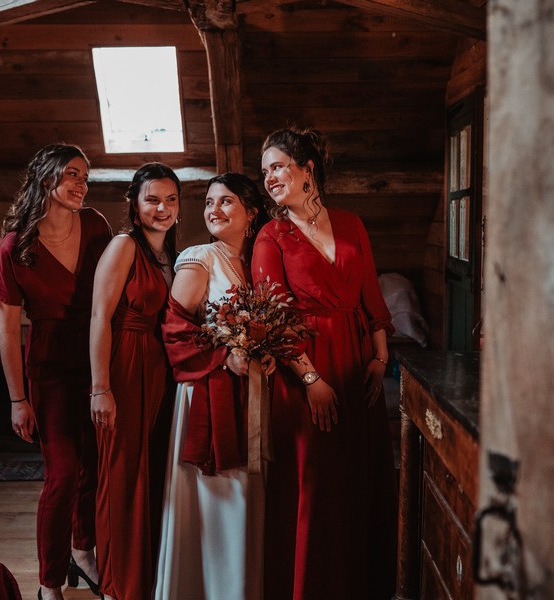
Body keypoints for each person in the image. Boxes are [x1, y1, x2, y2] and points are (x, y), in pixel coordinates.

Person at [252, 127, 398, 600]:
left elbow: (371, 294)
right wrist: (312, 379)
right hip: (305, 375)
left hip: (358, 367)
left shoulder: (352, 224)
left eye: (277, 166)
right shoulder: (270, 237)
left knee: (361, 479)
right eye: (265, 171)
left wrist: (379, 356)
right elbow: (272, 320)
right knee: (315, 485)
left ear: (306, 168)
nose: (270, 177)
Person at [0, 143, 111, 600]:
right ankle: (48, 582)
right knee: (62, 472)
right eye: (73, 175)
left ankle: (83, 550)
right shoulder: (14, 247)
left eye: (85, 177)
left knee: (93, 467)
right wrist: (18, 400)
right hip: (50, 367)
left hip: (98, 359)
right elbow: (7, 332)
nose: (82, 184)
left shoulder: (97, 225)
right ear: (46, 179)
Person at [155, 173, 272, 600]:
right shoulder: (199, 256)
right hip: (207, 391)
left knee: (247, 495)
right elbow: (174, 330)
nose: (214, 210)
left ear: (251, 212)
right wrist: (226, 355)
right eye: (208, 202)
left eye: (226, 202)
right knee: (217, 497)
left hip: (249, 394)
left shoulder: (259, 262)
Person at [88, 163, 180, 600]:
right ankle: (117, 585)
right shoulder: (124, 245)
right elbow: (99, 317)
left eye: (170, 200)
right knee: (123, 473)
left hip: (161, 370)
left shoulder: (173, 255)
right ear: (135, 204)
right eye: (152, 199)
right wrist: (100, 387)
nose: (161, 208)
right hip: (125, 365)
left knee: (151, 471)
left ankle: (145, 577)